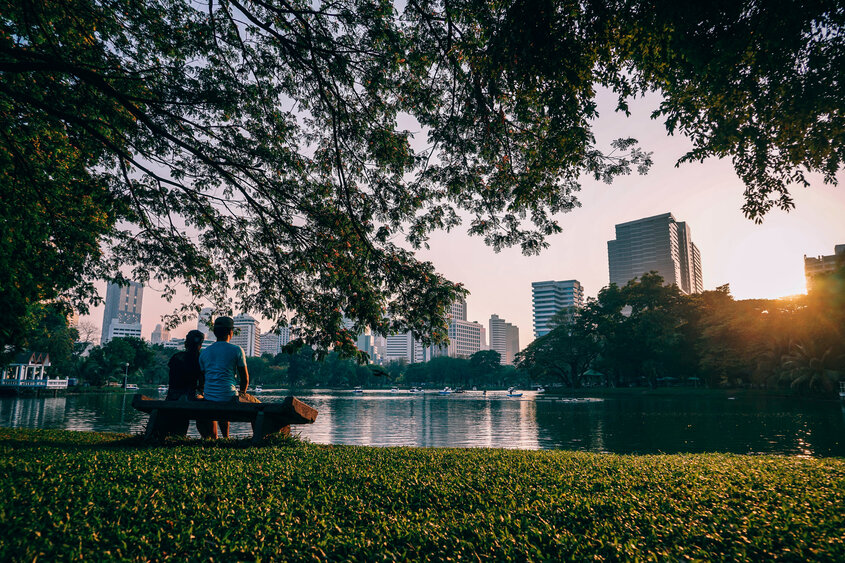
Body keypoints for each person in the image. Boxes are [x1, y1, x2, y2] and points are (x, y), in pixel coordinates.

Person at [198, 316, 259, 438]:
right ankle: (255, 438)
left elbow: (202, 379)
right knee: (258, 406)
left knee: (223, 397)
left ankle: (225, 438)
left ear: (215, 332)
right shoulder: (236, 350)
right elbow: (245, 379)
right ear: (231, 332)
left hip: (209, 397)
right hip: (229, 396)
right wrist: (242, 393)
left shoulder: (204, 352)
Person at [164, 329, 213, 437]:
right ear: (200, 344)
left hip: (172, 396)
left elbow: (172, 379)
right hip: (191, 396)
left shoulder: (176, 357)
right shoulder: (200, 359)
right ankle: (209, 437)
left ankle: (178, 435)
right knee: (206, 408)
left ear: (186, 343)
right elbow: (202, 382)